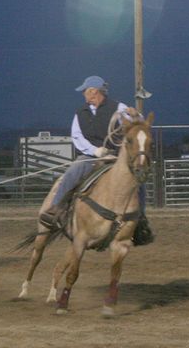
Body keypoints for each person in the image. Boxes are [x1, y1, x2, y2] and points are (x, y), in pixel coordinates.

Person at [39, 76, 153, 245]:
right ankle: (56, 209)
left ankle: (140, 219)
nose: (84, 95)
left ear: (94, 92)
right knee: (73, 171)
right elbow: (76, 136)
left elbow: (139, 127)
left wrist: (137, 116)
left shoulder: (119, 109)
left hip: (115, 156)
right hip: (91, 156)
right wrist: (95, 150)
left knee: (137, 181)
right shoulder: (80, 113)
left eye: (85, 91)